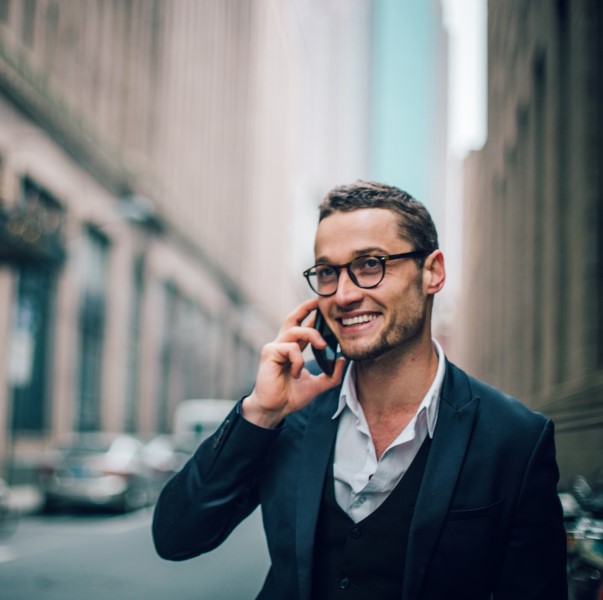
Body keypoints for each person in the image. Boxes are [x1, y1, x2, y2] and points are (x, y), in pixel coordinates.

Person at [152, 181, 568, 599]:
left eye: (371, 264)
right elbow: (176, 537)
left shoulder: (516, 438)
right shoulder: (289, 413)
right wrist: (260, 412)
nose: (345, 295)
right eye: (328, 272)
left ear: (433, 273)